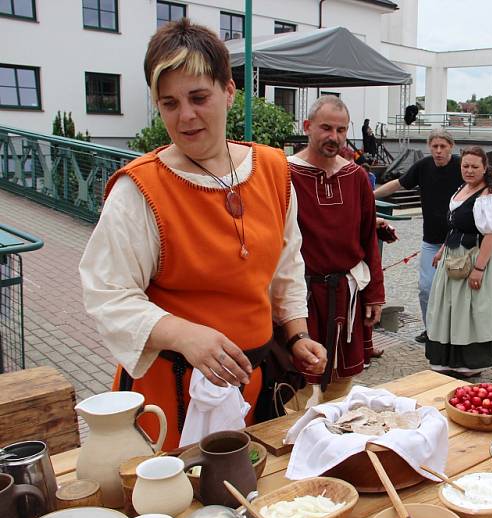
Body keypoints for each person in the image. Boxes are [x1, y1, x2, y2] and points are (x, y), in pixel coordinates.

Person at [78, 19, 326, 449]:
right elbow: (107, 294)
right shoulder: (140, 190)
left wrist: (297, 334)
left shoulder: (271, 170)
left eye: (198, 97)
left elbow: (287, 266)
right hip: (171, 394)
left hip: (255, 382)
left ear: (229, 92)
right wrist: (184, 334)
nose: (186, 115)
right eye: (169, 103)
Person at [288, 95, 385, 406]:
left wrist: (375, 295)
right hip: (303, 294)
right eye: (326, 128)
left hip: (347, 293)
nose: (335, 137)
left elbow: (368, 237)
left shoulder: (355, 176)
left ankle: (331, 435)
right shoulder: (283, 173)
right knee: (298, 382)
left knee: (342, 378)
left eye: (341, 130)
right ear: (307, 127)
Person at [374, 129, 492, 344]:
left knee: (457, 292)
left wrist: (478, 187)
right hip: (432, 240)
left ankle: (456, 334)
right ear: (429, 147)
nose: (439, 151)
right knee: (426, 289)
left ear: (451, 146)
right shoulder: (423, 166)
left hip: (460, 243)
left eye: (443, 146)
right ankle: (431, 329)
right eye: (435, 146)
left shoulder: (463, 165)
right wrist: (369, 195)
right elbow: (398, 184)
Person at [425, 146, 492, 378]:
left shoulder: (489, 196)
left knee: (471, 309)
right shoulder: (463, 188)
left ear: (485, 168)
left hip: (477, 255)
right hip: (454, 254)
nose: (469, 170)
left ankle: (469, 362)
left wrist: (479, 269)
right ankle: (447, 358)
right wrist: (442, 249)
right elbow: (455, 225)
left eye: (475, 167)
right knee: (450, 306)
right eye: (465, 166)